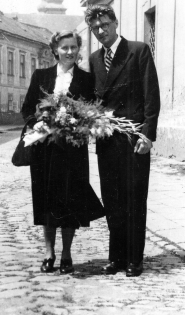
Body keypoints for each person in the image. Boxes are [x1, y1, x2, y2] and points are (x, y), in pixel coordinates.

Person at [85, 5, 160, 277]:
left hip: (133, 140)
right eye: (95, 28)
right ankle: (115, 258)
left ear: (115, 23)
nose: (101, 31)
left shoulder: (138, 51)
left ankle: (134, 259)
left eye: (105, 24)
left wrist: (148, 135)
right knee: (112, 200)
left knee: (134, 200)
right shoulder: (94, 59)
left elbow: (151, 95)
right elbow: (93, 101)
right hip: (107, 142)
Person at [21, 30, 104, 274]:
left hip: (73, 151)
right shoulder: (41, 76)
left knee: (71, 201)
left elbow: (92, 113)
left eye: (73, 47)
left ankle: (67, 253)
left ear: (79, 50)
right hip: (45, 151)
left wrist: (80, 124)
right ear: (55, 49)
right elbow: (27, 108)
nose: (69, 52)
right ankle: (49, 253)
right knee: (47, 200)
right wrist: (37, 121)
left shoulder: (86, 80)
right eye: (64, 47)